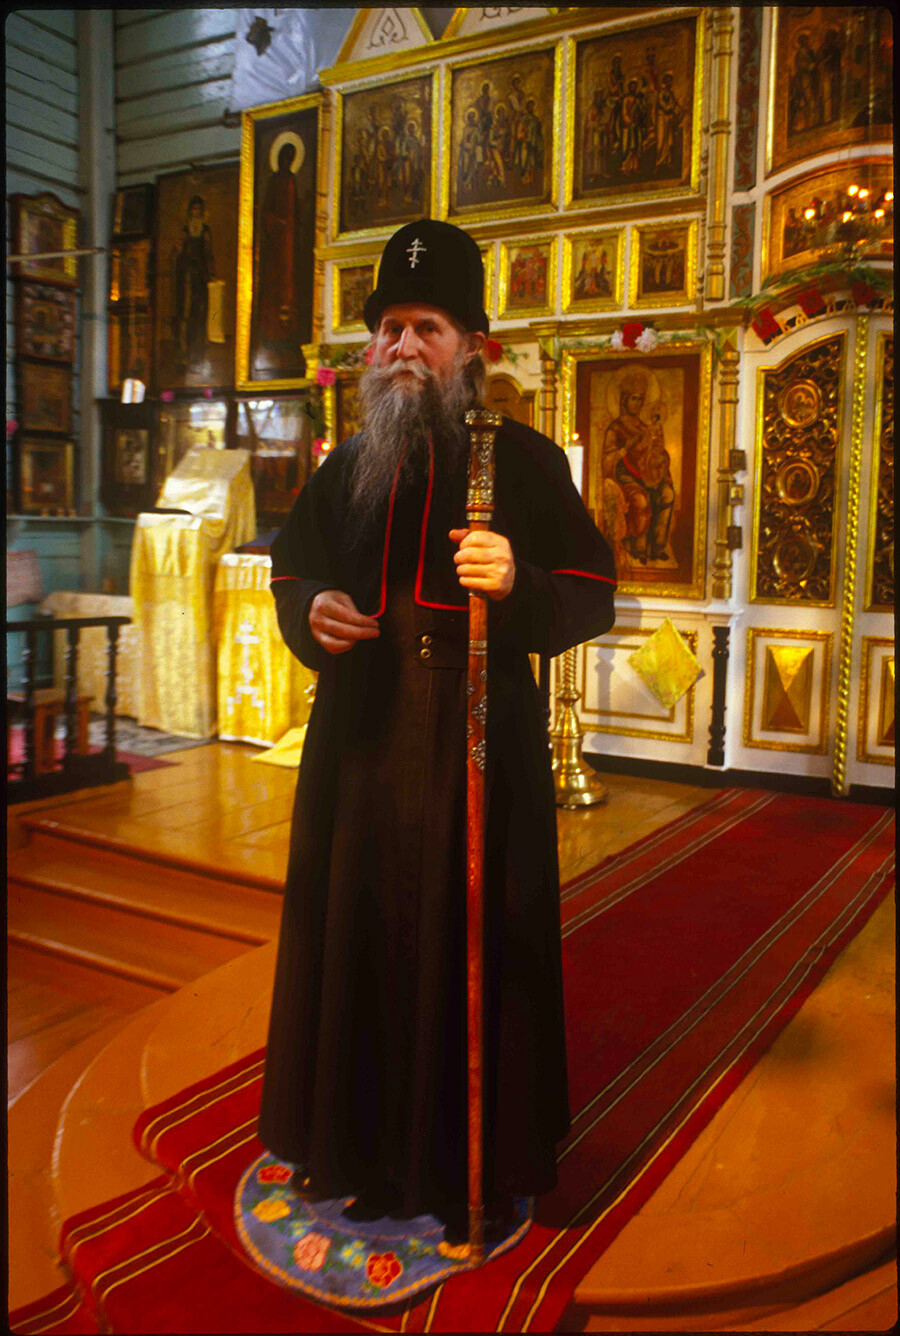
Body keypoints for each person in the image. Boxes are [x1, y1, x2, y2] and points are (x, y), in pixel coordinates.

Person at [258, 218, 616, 1244]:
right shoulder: (345, 466)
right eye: (388, 330)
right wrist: (312, 608)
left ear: (470, 349)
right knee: (355, 944)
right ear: (368, 351)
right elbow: (296, 565)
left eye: (427, 328)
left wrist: (521, 581)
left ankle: (472, 1161)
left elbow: (594, 590)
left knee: (468, 955)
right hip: (359, 753)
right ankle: (355, 1145)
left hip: (476, 752)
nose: (403, 347)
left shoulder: (522, 461)